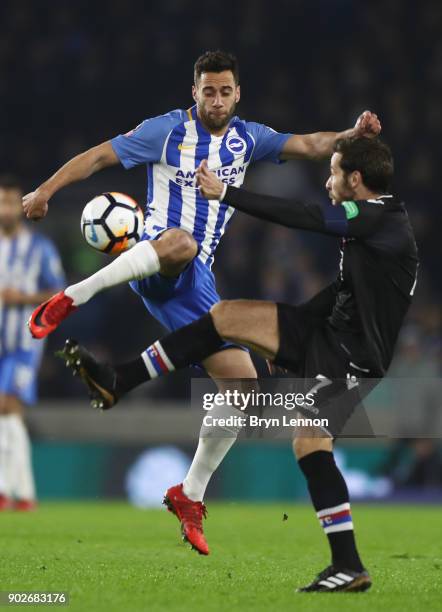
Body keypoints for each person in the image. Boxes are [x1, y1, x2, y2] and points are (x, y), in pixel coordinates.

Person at [24, 50, 380, 553]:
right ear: (194, 92)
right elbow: (99, 156)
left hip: (198, 284)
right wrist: (45, 191)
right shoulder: (165, 131)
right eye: (207, 91)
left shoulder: (248, 138)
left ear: (238, 94)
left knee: (245, 393)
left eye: (225, 91)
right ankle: (72, 297)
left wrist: (351, 137)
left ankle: (189, 493)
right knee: (182, 242)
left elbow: (308, 144)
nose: (216, 100)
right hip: (157, 257)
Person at [0, 174, 65, 511]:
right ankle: (22, 493)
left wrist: (22, 297)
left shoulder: (39, 248)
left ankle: (7, 489)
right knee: (7, 414)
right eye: (2, 202)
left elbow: (57, 292)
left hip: (23, 342)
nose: (6, 209)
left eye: (11, 202)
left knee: (8, 405)